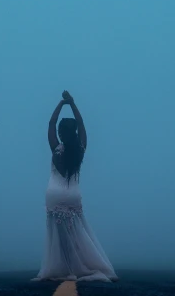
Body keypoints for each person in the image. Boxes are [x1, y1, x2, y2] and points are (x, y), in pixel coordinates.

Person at [33, 91, 117, 282]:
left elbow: (51, 124)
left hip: (54, 194)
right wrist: (72, 103)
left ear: (61, 134)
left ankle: (65, 267)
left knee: (59, 236)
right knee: (77, 232)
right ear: (75, 133)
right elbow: (81, 124)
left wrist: (62, 103)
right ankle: (81, 265)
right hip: (72, 195)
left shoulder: (56, 149)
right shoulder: (79, 150)